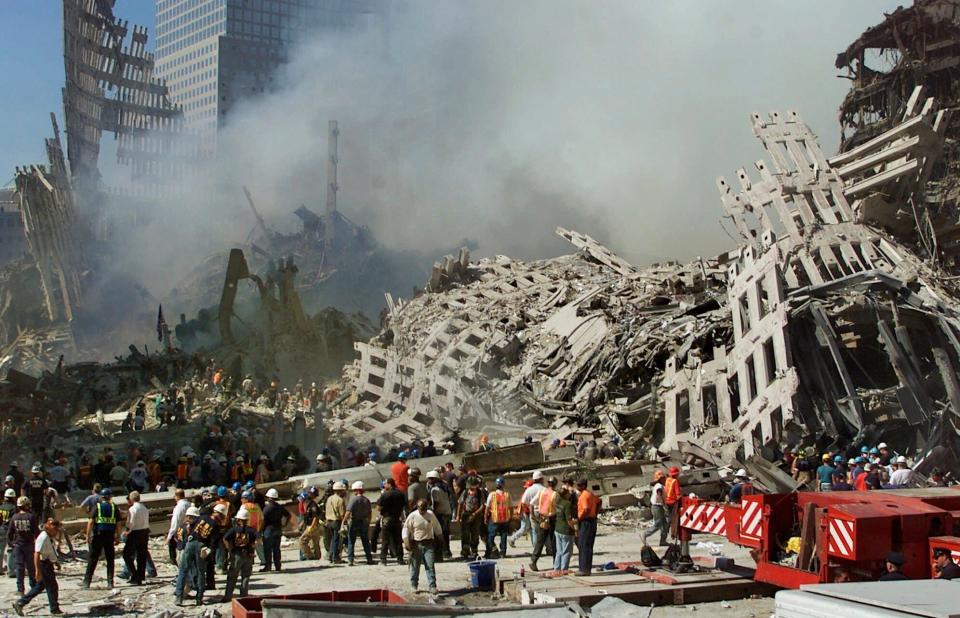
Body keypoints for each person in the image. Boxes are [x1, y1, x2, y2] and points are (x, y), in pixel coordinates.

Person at [175, 503, 225, 606]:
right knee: (201, 573)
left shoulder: (201, 517)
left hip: (190, 543)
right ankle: (199, 598)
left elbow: (189, 527)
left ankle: (179, 597)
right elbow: (214, 542)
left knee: (183, 571)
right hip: (202, 546)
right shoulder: (215, 525)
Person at [11, 518, 62, 616]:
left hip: (48, 563)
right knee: (51, 587)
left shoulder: (49, 537)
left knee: (41, 587)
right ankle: (54, 609)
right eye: (56, 529)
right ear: (50, 528)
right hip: (43, 565)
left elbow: (50, 552)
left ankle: (21, 603)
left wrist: (56, 562)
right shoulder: (43, 537)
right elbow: (36, 554)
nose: (57, 532)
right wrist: (37, 571)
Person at [402, 499, 442, 595]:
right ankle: (414, 585)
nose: (422, 511)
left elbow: (437, 527)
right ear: (417, 507)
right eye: (421, 508)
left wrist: (441, 538)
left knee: (430, 565)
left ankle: (432, 586)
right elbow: (406, 528)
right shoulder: (413, 516)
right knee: (415, 566)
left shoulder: (430, 515)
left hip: (428, 543)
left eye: (424, 508)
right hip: (416, 544)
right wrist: (406, 540)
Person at [82, 488, 119, 588]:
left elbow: (90, 522)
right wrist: (117, 536)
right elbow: (118, 523)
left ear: (101, 497)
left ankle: (87, 582)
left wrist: (88, 535)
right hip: (109, 536)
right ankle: (110, 582)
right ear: (110, 497)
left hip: (98, 535)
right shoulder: (114, 507)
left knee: (93, 559)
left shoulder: (97, 507)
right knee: (110, 559)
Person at [221, 507, 258, 602]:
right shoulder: (251, 530)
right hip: (248, 555)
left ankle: (228, 596)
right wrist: (253, 546)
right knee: (245, 576)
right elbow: (259, 539)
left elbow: (225, 538)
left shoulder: (234, 530)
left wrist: (229, 549)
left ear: (238, 519)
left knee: (232, 576)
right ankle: (244, 596)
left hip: (236, 555)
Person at [8, 497, 38, 595]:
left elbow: (10, 533)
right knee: (30, 567)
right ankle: (33, 586)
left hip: (18, 545)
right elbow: (36, 532)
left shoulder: (14, 517)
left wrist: (11, 543)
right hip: (29, 545)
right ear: (26, 505)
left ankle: (20, 589)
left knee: (19, 567)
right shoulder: (31, 517)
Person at [529, 476, 558, 571]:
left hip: (542, 519)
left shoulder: (542, 492)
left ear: (548, 483)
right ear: (555, 484)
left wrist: (533, 515)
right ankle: (556, 563)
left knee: (540, 541)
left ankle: (533, 561)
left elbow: (532, 503)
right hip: (552, 519)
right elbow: (558, 508)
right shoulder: (555, 494)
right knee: (554, 541)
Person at [122, 491, 150, 585]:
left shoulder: (132, 509)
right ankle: (140, 576)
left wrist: (127, 531)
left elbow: (131, 523)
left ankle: (134, 574)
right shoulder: (144, 508)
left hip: (135, 533)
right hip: (144, 532)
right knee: (141, 555)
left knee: (127, 554)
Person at [377, 478, 406, 565]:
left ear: (389, 484)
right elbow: (403, 506)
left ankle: (383, 560)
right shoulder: (400, 494)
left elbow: (378, 507)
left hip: (387, 518)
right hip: (397, 518)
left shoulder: (385, 494)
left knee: (385, 540)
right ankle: (400, 559)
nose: (384, 486)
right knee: (398, 540)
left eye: (385, 484)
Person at [261, 488, 290, 572]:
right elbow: (288, 515)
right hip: (278, 529)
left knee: (267, 549)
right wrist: (285, 524)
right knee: (276, 549)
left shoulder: (267, 508)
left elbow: (263, 520)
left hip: (268, 531)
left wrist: (260, 530)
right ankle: (278, 566)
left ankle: (268, 567)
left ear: (269, 498)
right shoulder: (279, 507)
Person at [576, 478, 600, 576]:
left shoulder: (584, 496)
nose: (577, 487)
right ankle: (586, 568)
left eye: (578, 485)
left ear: (582, 486)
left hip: (586, 522)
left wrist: (580, 518)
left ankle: (584, 569)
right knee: (588, 545)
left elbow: (586, 509)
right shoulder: (590, 494)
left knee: (584, 545)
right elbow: (599, 501)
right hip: (592, 520)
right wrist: (595, 513)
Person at [345, 481, 374, 565]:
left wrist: (344, 521)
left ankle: (350, 560)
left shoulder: (353, 500)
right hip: (363, 522)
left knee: (351, 541)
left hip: (354, 522)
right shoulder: (366, 500)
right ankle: (369, 558)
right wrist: (368, 522)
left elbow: (348, 511)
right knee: (365, 541)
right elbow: (369, 513)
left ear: (357, 490)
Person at [426, 470, 453, 560]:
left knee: (440, 534)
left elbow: (436, 503)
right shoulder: (443, 486)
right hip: (447, 511)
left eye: (430, 479)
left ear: (434, 479)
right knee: (445, 533)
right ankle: (447, 552)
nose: (428, 481)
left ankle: (443, 552)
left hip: (441, 513)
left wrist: (433, 512)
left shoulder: (435, 489)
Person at [456, 478, 485, 561]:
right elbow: (460, 504)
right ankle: (465, 551)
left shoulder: (480, 493)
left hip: (476, 516)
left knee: (475, 534)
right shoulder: (465, 492)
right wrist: (458, 516)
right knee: (465, 534)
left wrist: (475, 514)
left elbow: (482, 505)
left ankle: (474, 551)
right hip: (466, 515)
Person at [485, 477, 512, 559]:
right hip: (505, 519)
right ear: (503, 485)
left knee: (491, 536)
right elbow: (511, 508)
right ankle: (503, 553)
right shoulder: (507, 495)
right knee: (503, 536)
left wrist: (485, 517)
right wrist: (510, 518)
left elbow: (487, 507)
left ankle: (491, 551)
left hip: (495, 518)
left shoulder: (491, 495)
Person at [641, 470, 669, 546]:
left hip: (658, 506)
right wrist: (664, 506)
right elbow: (659, 496)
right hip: (657, 507)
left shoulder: (660, 485)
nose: (665, 479)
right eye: (663, 478)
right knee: (658, 524)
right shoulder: (659, 486)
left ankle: (663, 541)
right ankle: (645, 534)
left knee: (664, 524)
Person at [553, 483, 576, 571]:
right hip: (566, 531)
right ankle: (564, 569)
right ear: (566, 494)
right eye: (568, 493)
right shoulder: (567, 504)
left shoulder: (557, 502)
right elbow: (569, 520)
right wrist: (575, 529)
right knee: (567, 552)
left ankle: (557, 568)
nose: (570, 494)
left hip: (558, 529)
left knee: (559, 551)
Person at [325, 481, 348, 564]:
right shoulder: (340, 500)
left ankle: (331, 556)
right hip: (336, 522)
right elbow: (342, 514)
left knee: (332, 540)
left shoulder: (329, 498)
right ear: (339, 491)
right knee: (337, 541)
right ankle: (336, 558)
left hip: (329, 521)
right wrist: (344, 523)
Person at [167, 489, 191, 565]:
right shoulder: (189, 504)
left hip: (180, 530)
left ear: (177, 496)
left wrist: (169, 536)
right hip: (189, 528)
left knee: (177, 549)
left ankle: (177, 564)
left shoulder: (179, 507)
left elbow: (175, 522)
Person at [299, 487, 322, 560]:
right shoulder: (309, 504)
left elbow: (315, 517)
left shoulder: (313, 505)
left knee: (302, 541)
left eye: (311, 493)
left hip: (312, 526)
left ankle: (309, 555)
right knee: (315, 542)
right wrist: (302, 523)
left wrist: (312, 526)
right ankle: (317, 556)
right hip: (312, 525)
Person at [0, 488, 16, 576]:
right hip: (8, 530)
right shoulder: (13, 508)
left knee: (0, 550)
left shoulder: (1, 506)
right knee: (10, 550)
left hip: (0, 528)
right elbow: (13, 521)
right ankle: (11, 571)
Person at [664, 467, 681, 541]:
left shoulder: (667, 480)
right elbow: (678, 494)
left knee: (669, 518)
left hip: (666, 501)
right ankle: (674, 534)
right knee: (675, 519)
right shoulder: (675, 481)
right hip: (673, 502)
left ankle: (665, 531)